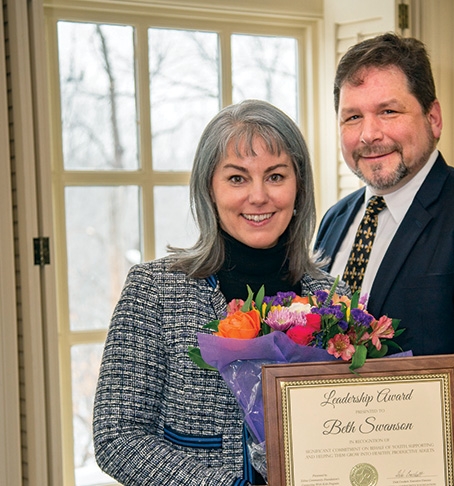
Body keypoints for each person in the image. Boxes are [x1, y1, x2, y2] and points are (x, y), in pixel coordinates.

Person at [315, 33, 454, 486]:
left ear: (433, 118)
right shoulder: (334, 221)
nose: (369, 133)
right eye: (352, 116)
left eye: (389, 111)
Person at [93, 99, 348, 486]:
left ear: (299, 187)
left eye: (276, 176)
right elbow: (118, 438)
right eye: (237, 178)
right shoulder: (154, 291)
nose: (259, 196)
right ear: (209, 189)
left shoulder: (335, 299)